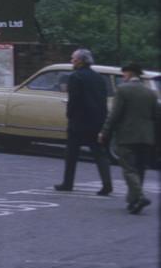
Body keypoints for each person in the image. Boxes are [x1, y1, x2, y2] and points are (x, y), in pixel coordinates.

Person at [100, 61, 156, 214]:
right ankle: (134, 201)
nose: (123, 76)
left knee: (128, 169)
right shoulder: (150, 93)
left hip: (127, 135)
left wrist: (104, 132)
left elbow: (114, 114)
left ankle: (140, 196)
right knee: (139, 169)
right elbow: (156, 117)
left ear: (130, 73)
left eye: (124, 73)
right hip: (146, 137)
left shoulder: (123, 90)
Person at [56, 48, 112, 195]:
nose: (71, 61)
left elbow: (74, 100)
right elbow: (102, 100)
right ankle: (107, 184)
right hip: (97, 120)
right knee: (99, 153)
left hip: (79, 121)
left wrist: (70, 115)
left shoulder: (75, 77)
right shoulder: (99, 78)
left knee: (71, 153)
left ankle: (68, 183)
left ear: (80, 61)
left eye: (73, 59)